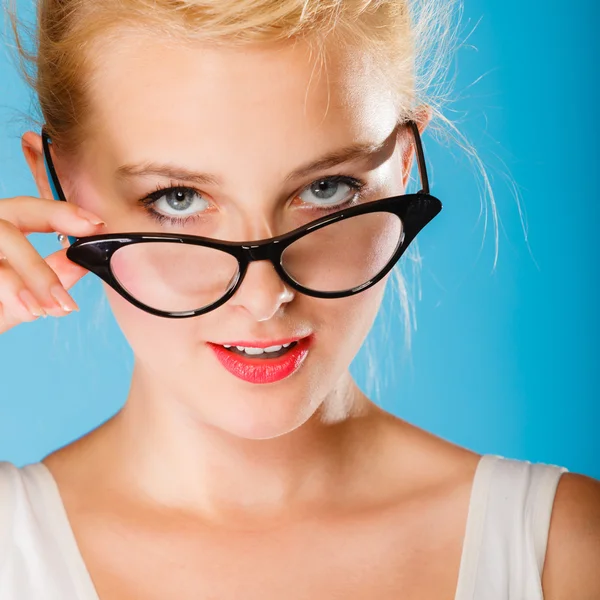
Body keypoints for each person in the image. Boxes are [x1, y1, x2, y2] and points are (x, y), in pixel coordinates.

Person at [0, 0, 598, 598]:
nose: (265, 297)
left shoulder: (567, 553)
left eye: (326, 188)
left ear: (406, 166)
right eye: (177, 199)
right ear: (54, 181)